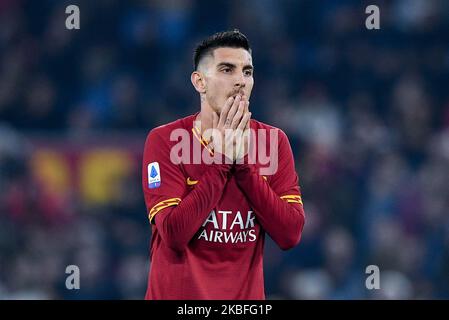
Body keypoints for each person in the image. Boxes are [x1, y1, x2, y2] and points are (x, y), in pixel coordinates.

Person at [142, 29, 305, 299]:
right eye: (227, 70)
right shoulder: (166, 141)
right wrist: (222, 162)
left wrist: (242, 167)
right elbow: (173, 234)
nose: (240, 81)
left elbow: (290, 234)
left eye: (247, 72)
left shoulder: (273, 142)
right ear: (199, 82)